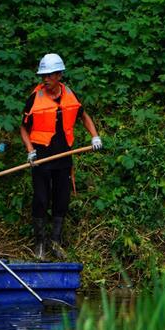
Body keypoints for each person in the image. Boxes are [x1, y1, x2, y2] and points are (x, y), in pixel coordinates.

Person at [20, 53, 102, 260]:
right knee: (40, 198)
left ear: (59, 75)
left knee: (61, 198)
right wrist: (30, 150)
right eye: (43, 76)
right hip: (41, 157)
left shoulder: (69, 95)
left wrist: (95, 136)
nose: (45, 79)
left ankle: (55, 241)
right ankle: (39, 243)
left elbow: (83, 116)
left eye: (49, 75)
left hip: (64, 155)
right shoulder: (34, 98)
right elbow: (23, 128)